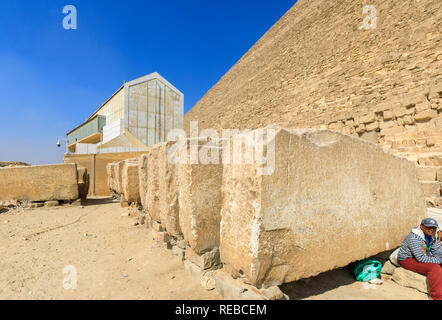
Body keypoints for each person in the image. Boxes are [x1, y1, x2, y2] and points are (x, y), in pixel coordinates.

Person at [397, 218, 442, 300]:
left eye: (434, 228)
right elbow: (420, 258)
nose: (432, 229)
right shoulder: (414, 237)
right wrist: (439, 261)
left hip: (423, 256)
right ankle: (437, 297)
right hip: (407, 259)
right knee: (434, 268)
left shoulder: (432, 237)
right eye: (429, 227)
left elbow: (438, 250)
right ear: (421, 227)